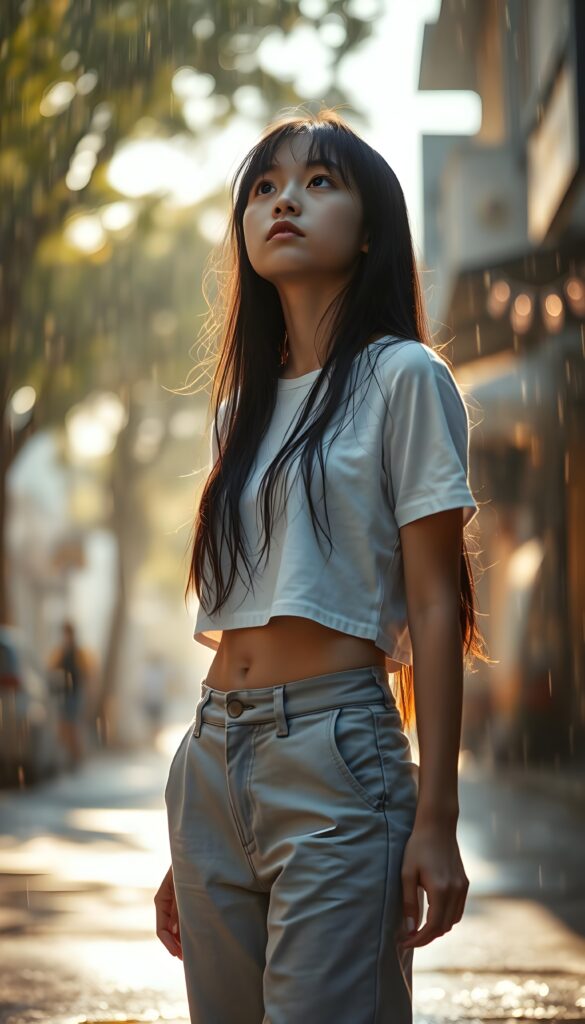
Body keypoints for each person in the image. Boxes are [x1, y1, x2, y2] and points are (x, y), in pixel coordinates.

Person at [155, 107, 488, 1024]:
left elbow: (433, 603)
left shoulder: (403, 377)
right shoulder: (238, 412)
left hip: (339, 758)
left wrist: (436, 816)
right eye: (262, 188)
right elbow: (249, 609)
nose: (282, 202)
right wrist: (192, 835)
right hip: (214, 758)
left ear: (370, 226)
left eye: (316, 182)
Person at [48, 620, 94, 770]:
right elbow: (51, 668)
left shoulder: (79, 652)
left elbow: (86, 674)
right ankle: (70, 757)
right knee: (64, 727)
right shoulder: (61, 652)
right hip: (63, 694)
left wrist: (87, 695)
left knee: (73, 727)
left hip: (75, 694)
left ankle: (77, 758)